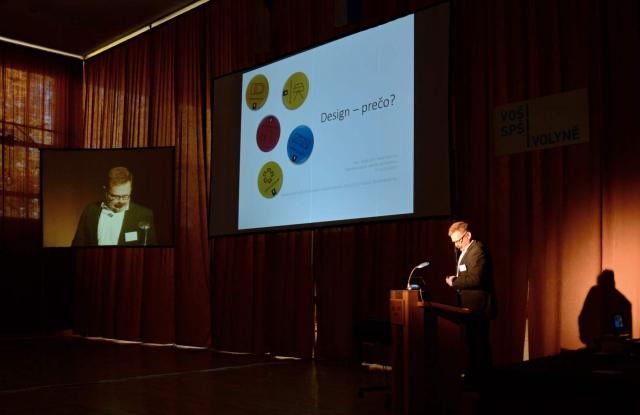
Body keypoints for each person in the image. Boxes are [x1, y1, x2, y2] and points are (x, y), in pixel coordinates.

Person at [445, 221, 496, 384]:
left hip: (478, 308)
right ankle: (474, 379)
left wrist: (454, 282)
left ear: (468, 235)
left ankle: (483, 382)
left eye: (458, 240)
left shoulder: (477, 250)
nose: (456, 245)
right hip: (468, 308)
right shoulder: (466, 250)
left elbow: (476, 279)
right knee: (473, 344)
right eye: (454, 242)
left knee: (480, 345)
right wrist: (457, 280)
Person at [72, 166, 156, 246]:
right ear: (105, 190)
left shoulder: (143, 214)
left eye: (125, 196)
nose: (121, 201)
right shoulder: (90, 211)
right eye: (115, 196)